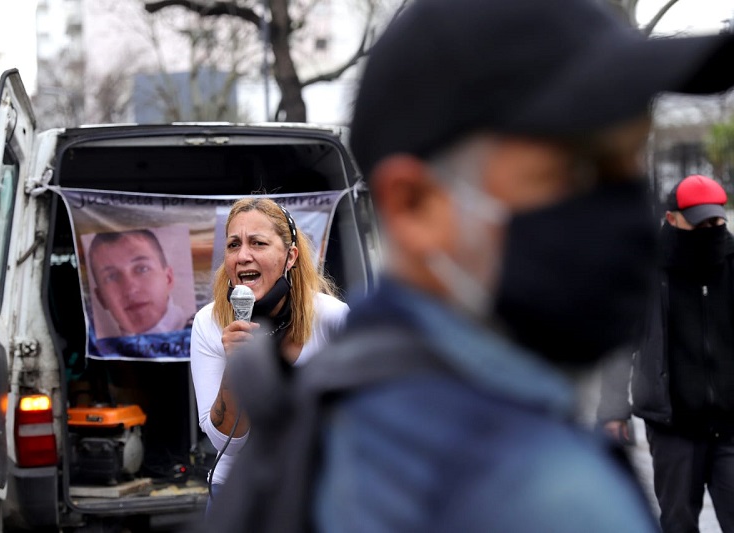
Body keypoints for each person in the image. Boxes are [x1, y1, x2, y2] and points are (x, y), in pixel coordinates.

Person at [210, 0, 734, 531]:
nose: (623, 209)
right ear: (414, 205)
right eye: (577, 170)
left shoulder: (342, 410)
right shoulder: (546, 494)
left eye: (629, 165)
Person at [601, 174, 734, 533]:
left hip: (730, 425)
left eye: (716, 219)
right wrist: (613, 411)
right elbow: (618, 346)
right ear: (671, 218)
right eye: (700, 221)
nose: (711, 227)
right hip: (673, 426)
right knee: (678, 524)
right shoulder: (645, 269)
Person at [190, 198, 348, 498]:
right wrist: (235, 367)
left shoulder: (332, 318)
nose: (242, 256)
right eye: (233, 245)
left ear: (290, 257)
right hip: (238, 491)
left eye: (258, 243)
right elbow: (229, 443)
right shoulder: (208, 323)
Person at [88, 229, 192, 337]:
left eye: (142, 269)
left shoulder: (204, 336)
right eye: (112, 277)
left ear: (168, 278)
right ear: (101, 299)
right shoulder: (99, 351)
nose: (130, 289)